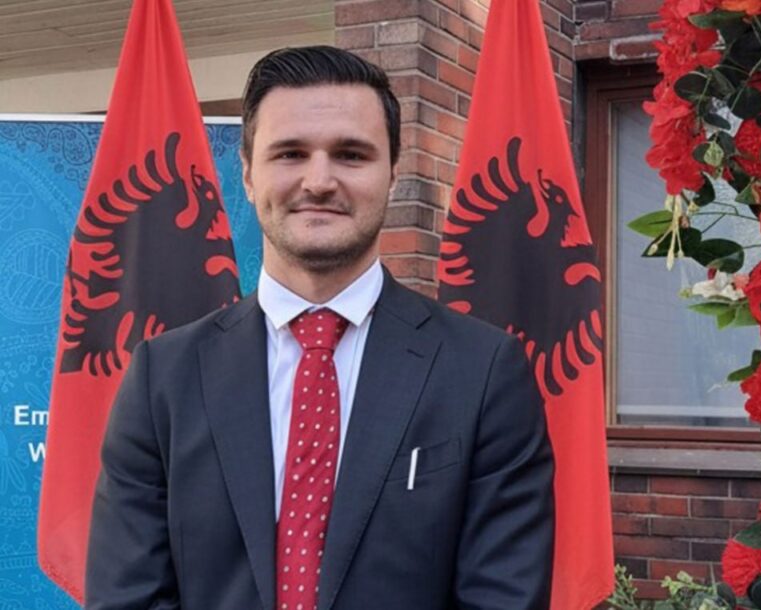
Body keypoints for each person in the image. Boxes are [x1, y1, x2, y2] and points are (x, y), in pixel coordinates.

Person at [85, 46, 554, 610]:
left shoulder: (484, 372)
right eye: (290, 153)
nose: (320, 180)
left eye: (351, 155)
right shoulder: (161, 377)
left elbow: (502, 598)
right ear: (248, 174)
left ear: (393, 175)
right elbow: (128, 596)